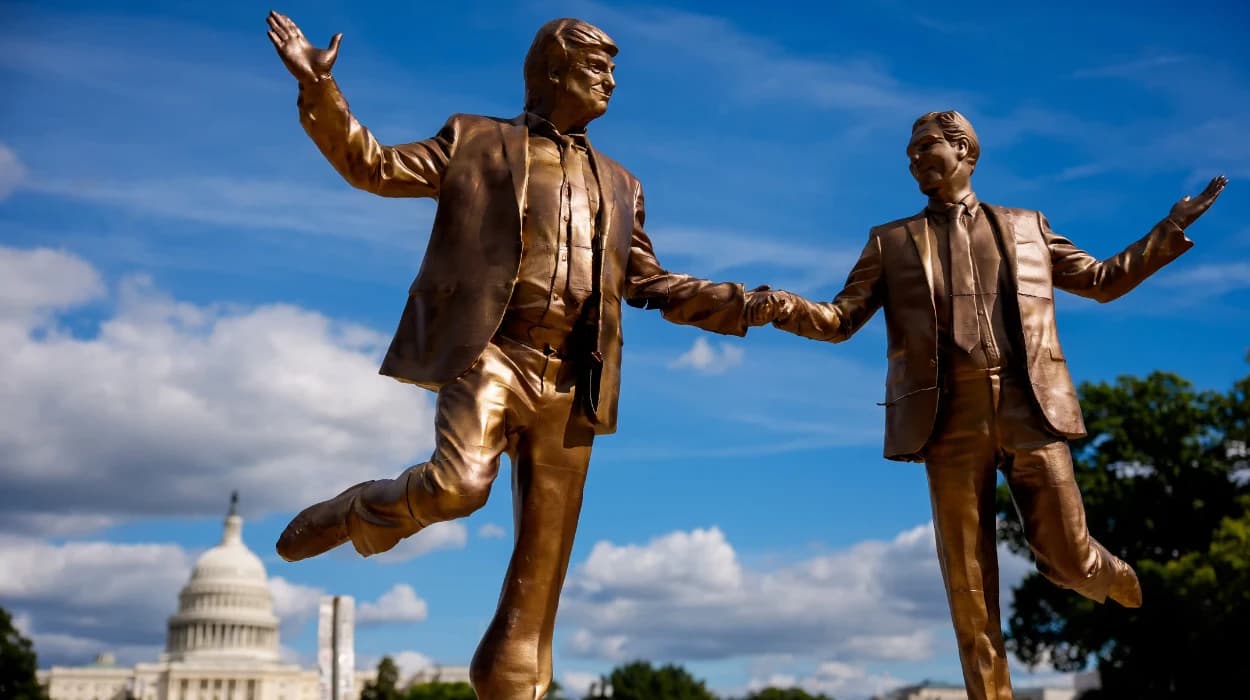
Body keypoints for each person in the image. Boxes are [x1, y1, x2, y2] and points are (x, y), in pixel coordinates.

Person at [265, 11, 774, 699]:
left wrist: (740, 303)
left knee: (540, 577)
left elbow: (647, 281)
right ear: (554, 71)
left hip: (574, 379)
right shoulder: (474, 140)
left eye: (614, 71)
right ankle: (356, 512)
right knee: (459, 485)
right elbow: (375, 166)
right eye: (598, 69)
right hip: (491, 354)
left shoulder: (622, 183)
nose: (612, 83)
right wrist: (320, 91)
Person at [748, 110, 1227, 700]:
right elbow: (840, 319)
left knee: (1067, 558)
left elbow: (1104, 280)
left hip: (1030, 410)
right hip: (946, 420)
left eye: (927, 146)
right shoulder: (890, 241)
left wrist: (1168, 229)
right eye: (910, 151)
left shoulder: (1026, 226)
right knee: (969, 591)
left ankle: (1107, 573)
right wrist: (780, 307)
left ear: (965, 153)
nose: (915, 158)